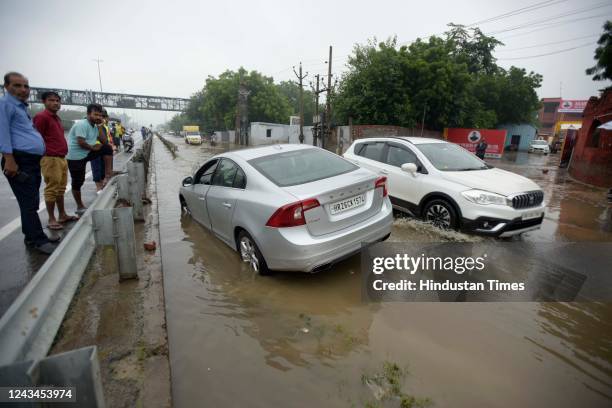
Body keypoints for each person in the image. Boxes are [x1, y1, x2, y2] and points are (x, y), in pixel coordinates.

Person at [0, 72, 60, 254]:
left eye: (25, 86)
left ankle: (30, 237)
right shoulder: (5, 105)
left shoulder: (20, 108)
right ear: (6, 87)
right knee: (29, 203)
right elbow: (2, 133)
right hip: (19, 160)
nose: (23, 90)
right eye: (17, 85)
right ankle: (40, 241)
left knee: (31, 201)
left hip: (30, 161)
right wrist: (9, 160)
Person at [33, 91, 79, 230]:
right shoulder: (41, 117)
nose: (55, 103)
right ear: (44, 102)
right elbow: (37, 137)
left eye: (57, 101)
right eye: (51, 100)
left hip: (61, 158)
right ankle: (52, 218)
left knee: (61, 188)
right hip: (50, 158)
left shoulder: (56, 118)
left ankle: (62, 214)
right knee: (52, 188)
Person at [66, 103, 113, 213]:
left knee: (107, 148)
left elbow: (104, 141)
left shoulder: (95, 126)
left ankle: (108, 174)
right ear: (88, 114)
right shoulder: (82, 124)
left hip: (87, 153)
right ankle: (79, 206)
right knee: (78, 182)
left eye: (100, 115)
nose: (98, 117)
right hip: (76, 157)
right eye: (95, 114)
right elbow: (81, 142)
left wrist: (100, 126)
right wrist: (93, 148)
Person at [90, 109, 113, 191]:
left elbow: (108, 138)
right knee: (96, 168)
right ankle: (98, 187)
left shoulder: (105, 126)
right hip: (95, 149)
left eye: (103, 116)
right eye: (99, 116)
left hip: (104, 150)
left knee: (103, 168)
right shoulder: (93, 125)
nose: (101, 118)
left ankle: (103, 184)